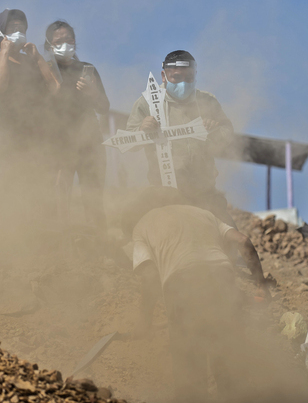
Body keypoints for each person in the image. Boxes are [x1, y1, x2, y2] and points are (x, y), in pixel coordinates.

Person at [122, 187, 268, 402]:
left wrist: (145, 320)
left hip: (181, 287)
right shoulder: (203, 213)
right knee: (228, 362)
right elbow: (243, 240)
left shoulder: (143, 224)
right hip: (222, 281)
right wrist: (260, 285)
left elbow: (150, 276)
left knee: (189, 370)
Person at [126, 50, 262, 278]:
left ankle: (252, 284)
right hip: (163, 194)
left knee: (231, 241)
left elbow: (227, 135)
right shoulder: (147, 104)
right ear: (163, 75)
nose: (182, 84)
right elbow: (128, 142)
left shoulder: (207, 101)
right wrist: (141, 130)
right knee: (146, 235)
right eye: (175, 78)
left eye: (188, 78)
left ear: (195, 76)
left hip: (203, 190)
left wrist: (213, 129)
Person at [0, 10, 59, 221]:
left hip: (38, 135)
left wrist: (38, 59)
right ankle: (15, 231)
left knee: (42, 184)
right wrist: (3, 54)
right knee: (15, 181)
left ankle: (44, 231)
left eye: (22, 28)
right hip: (8, 135)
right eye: (13, 28)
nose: (19, 32)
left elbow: (55, 88)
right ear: (1, 33)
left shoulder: (33, 63)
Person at [44, 20, 109, 230]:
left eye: (69, 40)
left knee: (93, 194)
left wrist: (93, 93)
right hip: (59, 143)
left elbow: (104, 107)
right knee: (60, 196)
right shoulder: (45, 71)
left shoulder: (87, 69)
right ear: (49, 45)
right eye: (59, 41)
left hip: (90, 142)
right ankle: (64, 246)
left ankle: (98, 242)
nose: (65, 44)